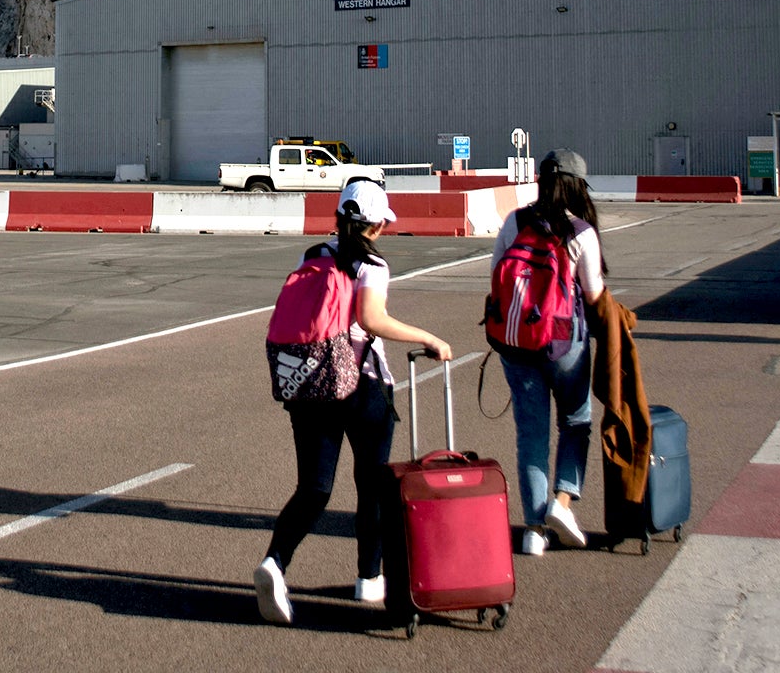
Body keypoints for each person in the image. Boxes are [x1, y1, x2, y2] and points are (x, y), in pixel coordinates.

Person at [255, 179, 451, 626]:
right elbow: (371, 320)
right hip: (361, 384)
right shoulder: (372, 264)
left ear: (339, 216)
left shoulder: (312, 257)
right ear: (378, 226)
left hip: (309, 384)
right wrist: (429, 337)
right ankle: (369, 580)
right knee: (373, 486)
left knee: (314, 489)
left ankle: (274, 563)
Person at [491, 149, 607, 555]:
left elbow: (496, 277)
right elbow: (594, 295)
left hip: (516, 343)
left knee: (531, 435)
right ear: (577, 185)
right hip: (565, 344)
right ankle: (562, 502)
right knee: (576, 423)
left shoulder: (515, 221)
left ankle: (534, 530)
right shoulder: (580, 232)